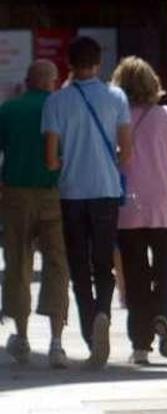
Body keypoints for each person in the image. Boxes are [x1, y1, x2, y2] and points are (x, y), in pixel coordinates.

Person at [41, 36, 132, 369]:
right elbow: (128, 152)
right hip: (106, 190)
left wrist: (67, 159)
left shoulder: (56, 102)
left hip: (71, 193)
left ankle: (90, 332)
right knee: (103, 260)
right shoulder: (116, 97)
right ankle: (104, 313)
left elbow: (50, 159)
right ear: (98, 63)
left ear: (69, 64)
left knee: (78, 266)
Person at [111, 57, 167, 365]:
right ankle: (163, 313)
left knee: (135, 276)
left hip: (128, 207)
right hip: (165, 204)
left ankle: (140, 345)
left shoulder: (114, 118)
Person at [0, 60, 70, 368]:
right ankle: (56, 342)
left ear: (27, 81)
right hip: (55, 194)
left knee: (17, 263)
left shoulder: (9, 109)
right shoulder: (61, 109)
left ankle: (23, 337)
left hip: (15, 194)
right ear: (52, 82)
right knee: (57, 263)